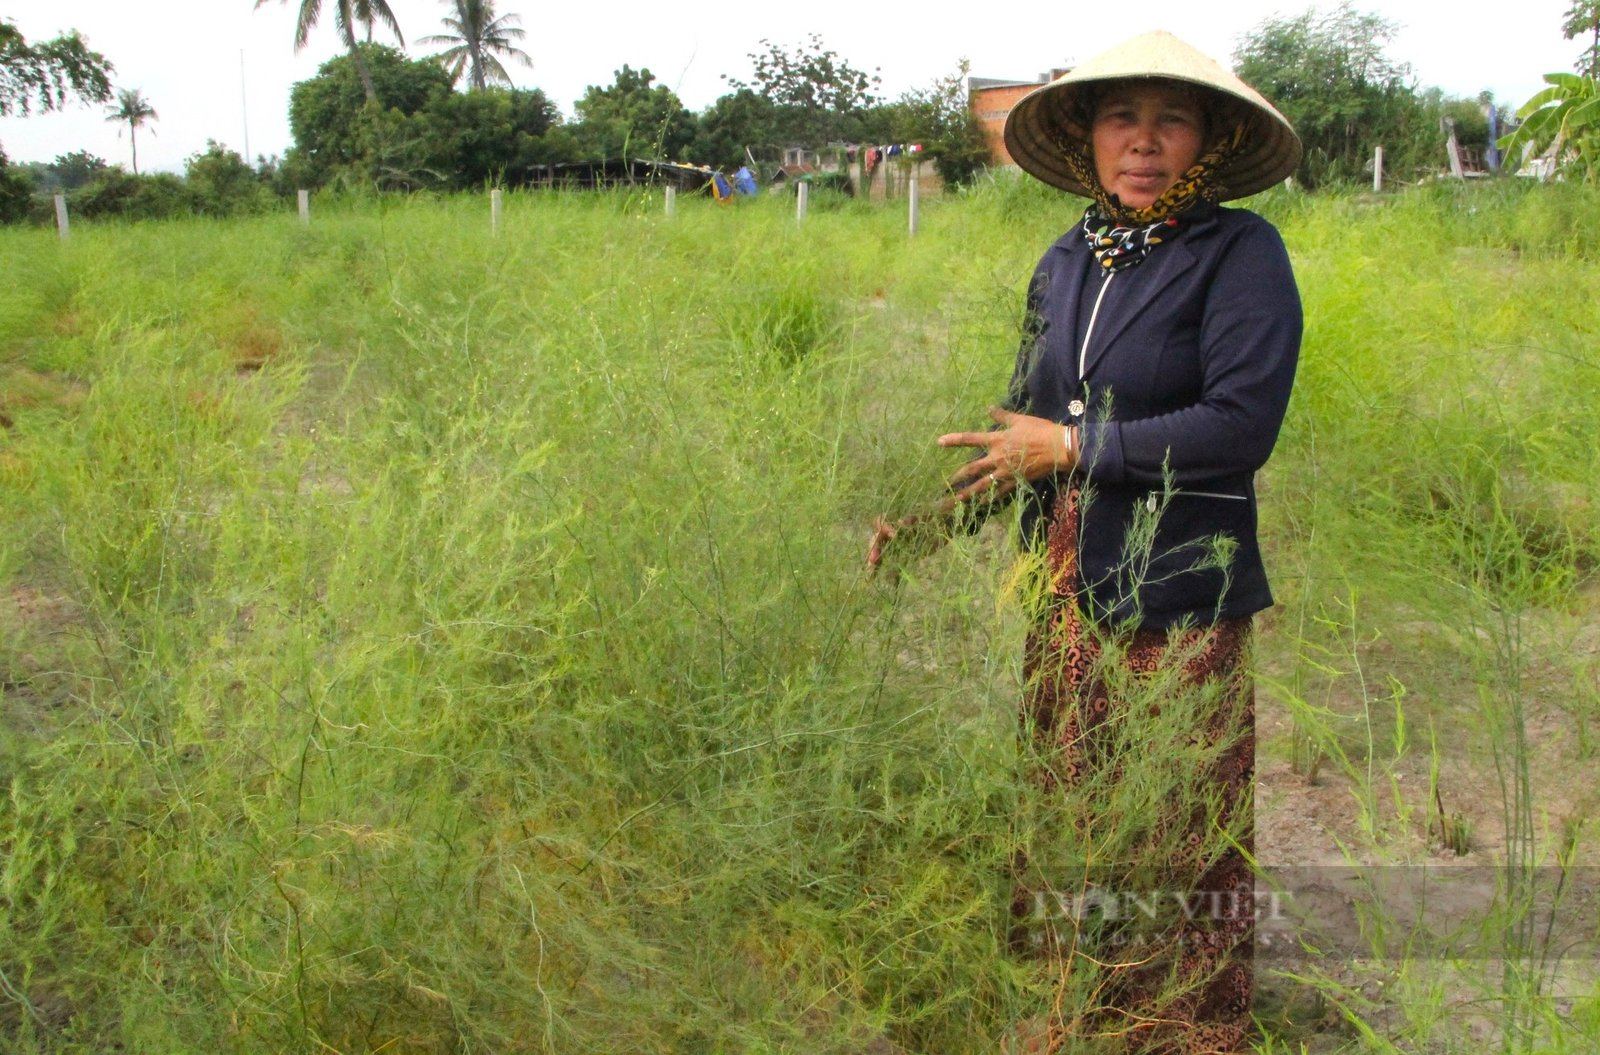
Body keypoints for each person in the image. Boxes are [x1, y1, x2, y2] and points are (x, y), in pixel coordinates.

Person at [866, 31, 1302, 1054]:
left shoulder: (1240, 253)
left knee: (1178, 818)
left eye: (1170, 118)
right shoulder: (1066, 258)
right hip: (1065, 581)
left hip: (1179, 587)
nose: (1142, 142)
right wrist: (934, 521)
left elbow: (1241, 424)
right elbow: (1021, 425)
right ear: (1088, 136)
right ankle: (1086, 1007)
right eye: (1120, 117)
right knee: (1072, 798)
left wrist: (1071, 444)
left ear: (1211, 136)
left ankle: (1185, 1025)